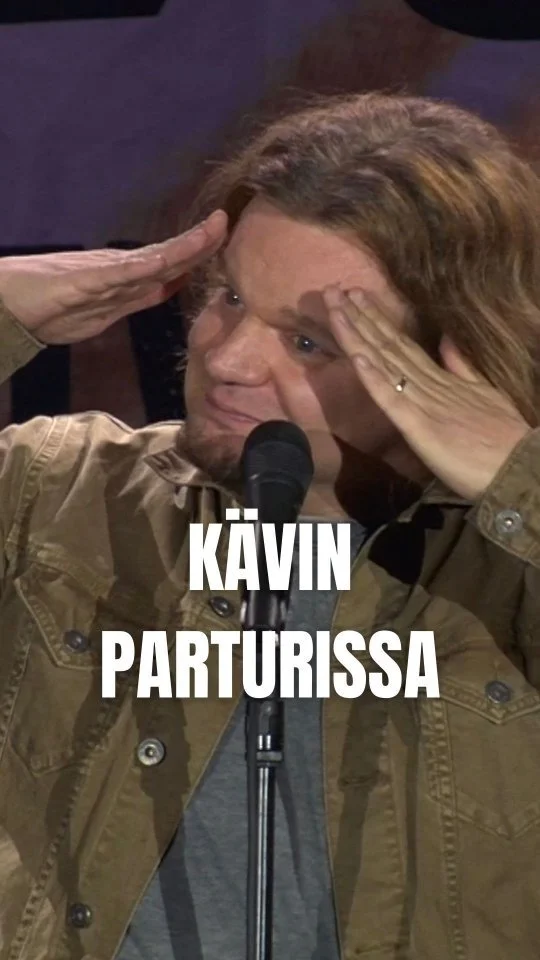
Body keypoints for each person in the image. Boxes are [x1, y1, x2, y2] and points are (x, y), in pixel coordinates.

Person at [0, 91, 539, 960]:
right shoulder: (60, 493)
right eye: (228, 297)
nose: (227, 358)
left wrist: (521, 479)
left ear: (457, 358)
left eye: (309, 341)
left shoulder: (509, 573)